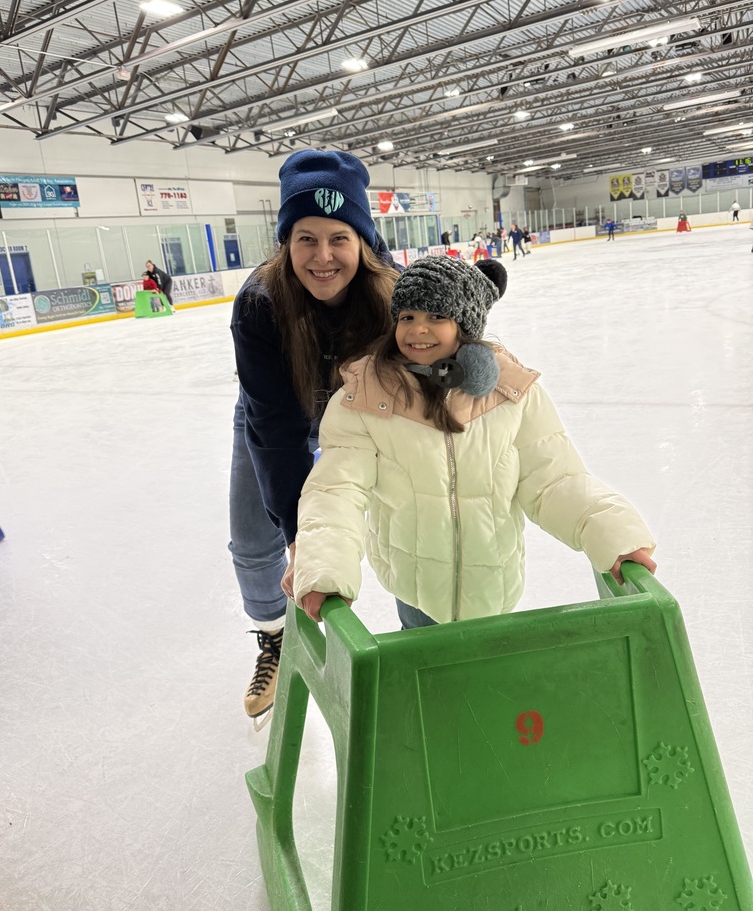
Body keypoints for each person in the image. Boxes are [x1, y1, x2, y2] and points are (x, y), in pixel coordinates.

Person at [287, 256, 656, 628]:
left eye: (436, 317)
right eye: (407, 317)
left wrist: (614, 534)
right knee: (425, 670)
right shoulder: (365, 397)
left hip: (495, 580)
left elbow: (554, 480)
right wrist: (324, 568)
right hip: (416, 590)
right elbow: (337, 490)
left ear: (465, 325)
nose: (418, 330)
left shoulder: (512, 393)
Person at [230, 149, 398, 725]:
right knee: (254, 535)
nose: (322, 257)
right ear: (285, 241)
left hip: (360, 408)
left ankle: (422, 631)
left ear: (363, 242)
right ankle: (273, 639)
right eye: (306, 238)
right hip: (275, 408)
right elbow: (275, 432)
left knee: (409, 511)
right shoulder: (260, 304)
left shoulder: (391, 293)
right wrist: (301, 534)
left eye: (338, 238)